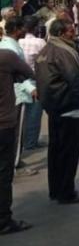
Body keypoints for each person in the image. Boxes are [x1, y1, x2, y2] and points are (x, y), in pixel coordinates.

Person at [35, 18, 79, 204]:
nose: (73, 34)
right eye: (69, 31)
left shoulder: (45, 51)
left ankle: (56, 189)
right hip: (67, 107)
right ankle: (67, 192)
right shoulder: (63, 52)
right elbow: (75, 80)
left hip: (53, 108)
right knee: (68, 152)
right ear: (60, 33)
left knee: (56, 151)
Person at [0, 46, 35, 234]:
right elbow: (29, 72)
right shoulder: (6, 56)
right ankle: (3, 220)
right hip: (4, 123)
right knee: (4, 174)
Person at [1, 17, 39, 177]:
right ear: (17, 30)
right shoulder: (11, 49)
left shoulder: (8, 45)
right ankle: (15, 164)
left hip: (12, 93)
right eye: (22, 28)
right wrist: (31, 88)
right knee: (15, 133)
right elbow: (21, 74)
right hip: (16, 94)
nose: (25, 31)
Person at [20, 17, 46, 151]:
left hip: (20, 81)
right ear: (35, 28)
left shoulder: (18, 42)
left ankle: (24, 141)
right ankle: (30, 141)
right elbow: (45, 61)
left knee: (22, 113)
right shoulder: (39, 42)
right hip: (35, 80)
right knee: (34, 113)